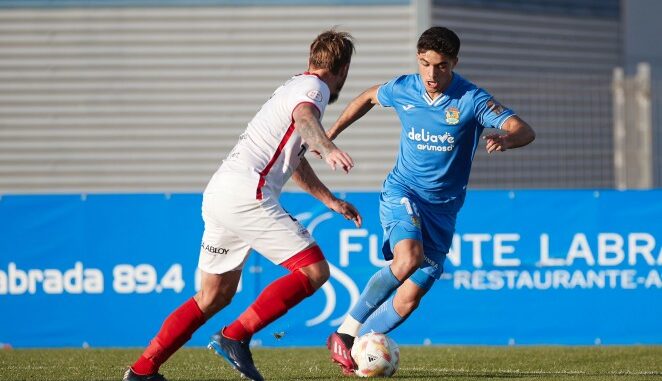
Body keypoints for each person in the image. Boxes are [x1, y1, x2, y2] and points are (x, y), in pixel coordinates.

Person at [123, 29, 362, 381]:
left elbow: (293, 158)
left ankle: (143, 371)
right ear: (342, 69)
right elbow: (305, 119)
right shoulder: (315, 89)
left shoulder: (296, 84)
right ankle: (235, 335)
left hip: (221, 193)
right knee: (314, 272)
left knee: (213, 295)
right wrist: (329, 149)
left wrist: (329, 200)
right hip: (247, 193)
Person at [325, 26, 535, 374]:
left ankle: (364, 351)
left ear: (453, 62)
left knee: (408, 299)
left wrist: (508, 140)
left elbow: (524, 129)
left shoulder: (472, 100)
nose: (431, 74)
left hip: (443, 210)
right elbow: (367, 97)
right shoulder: (405, 88)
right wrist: (330, 135)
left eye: (439, 66)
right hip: (402, 192)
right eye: (424, 64)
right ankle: (345, 335)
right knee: (408, 257)